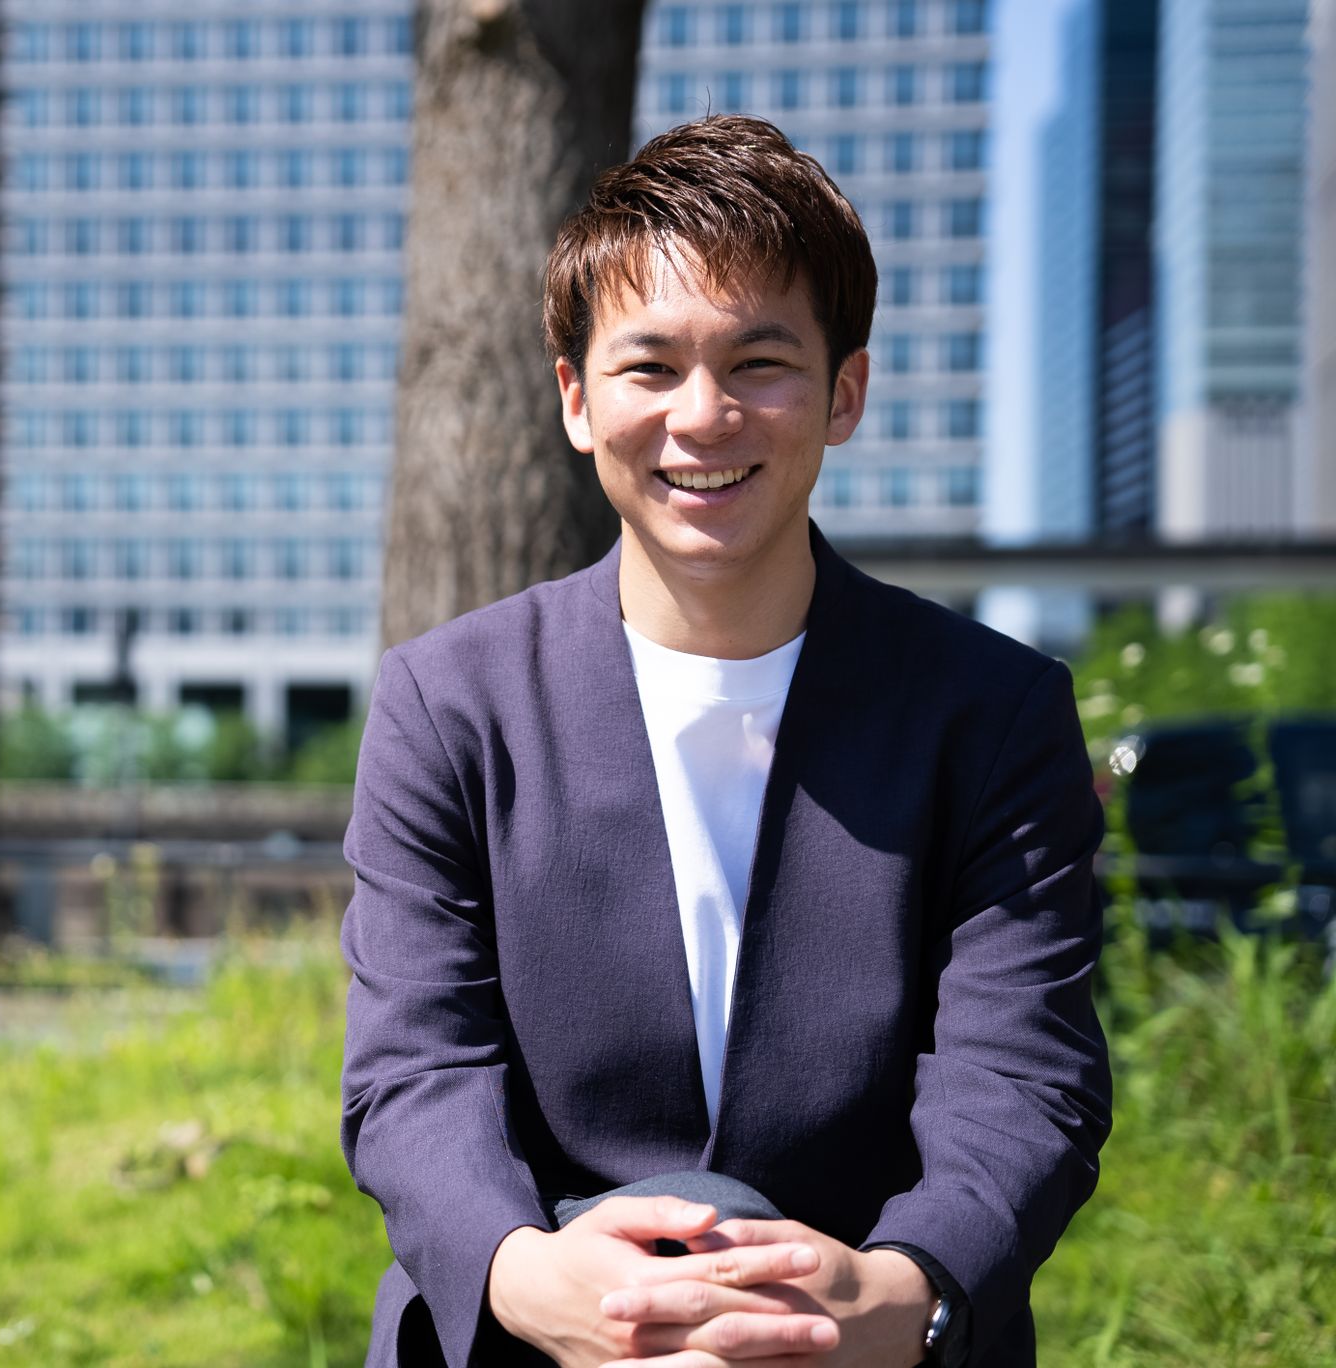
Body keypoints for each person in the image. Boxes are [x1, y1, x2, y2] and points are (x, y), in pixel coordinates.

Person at [339, 115, 1110, 1368]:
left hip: (866, 1334)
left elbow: (1022, 1077)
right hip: (533, 1330)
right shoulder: (449, 704)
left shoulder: (989, 713)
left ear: (843, 393)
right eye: (648, 368)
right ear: (576, 400)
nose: (702, 417)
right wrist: (525, 1275)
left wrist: (899, 1295)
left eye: (760, 362)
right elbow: (410, 1072)